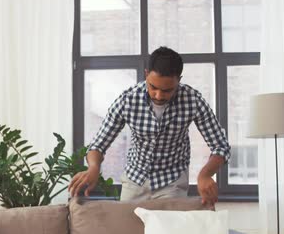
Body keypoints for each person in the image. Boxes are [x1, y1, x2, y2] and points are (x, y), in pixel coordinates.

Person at [68, 46, 230, 206]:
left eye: (167, 90)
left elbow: (221, 146)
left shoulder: (192, 100)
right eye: (153, 87)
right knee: (126, 230)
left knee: (165, 231)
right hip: (135, 180)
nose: (159, 95)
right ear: (146, 75)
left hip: (172, 180)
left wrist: (205, 174)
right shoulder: (128, 100)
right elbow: (98, 144)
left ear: (178, 80)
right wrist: (94, 167)